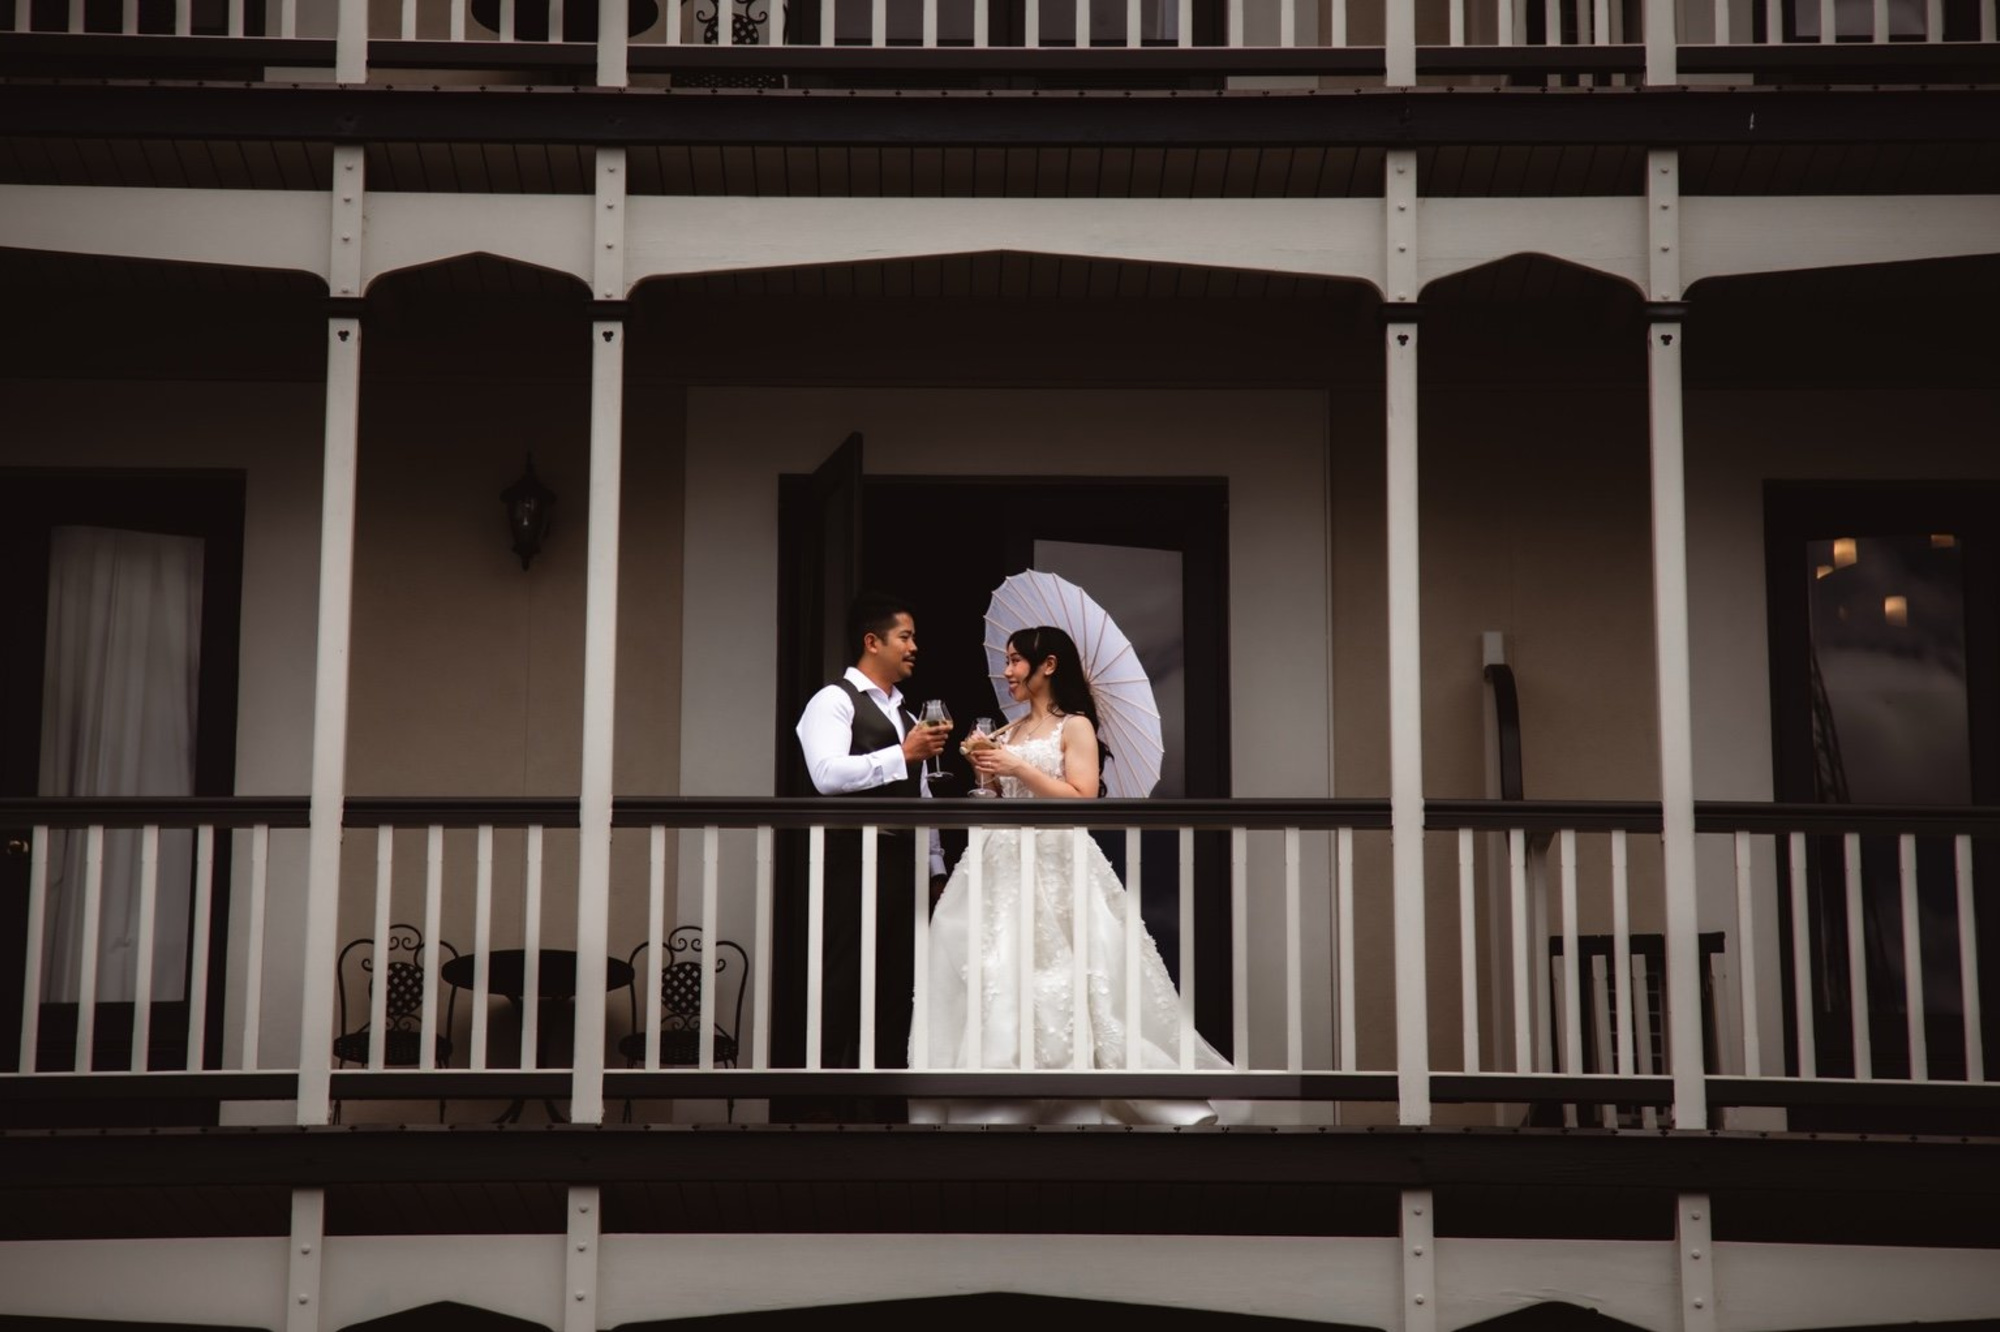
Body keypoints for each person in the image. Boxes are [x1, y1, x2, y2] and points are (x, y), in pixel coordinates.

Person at [910, 624, 1228, 1126]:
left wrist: (1019, 769)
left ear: (1049, 665)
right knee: (994, 965)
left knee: (1067, 967)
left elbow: (1082, 795)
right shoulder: (1008, 730)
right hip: (1000, 863)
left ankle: (1071, 1089)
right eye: (1008, 660)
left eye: (1017, 661)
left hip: (1055, 859)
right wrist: (988, 777)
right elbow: (996, 800)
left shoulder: (1074, 726)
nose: (1008, 670)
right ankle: (991, 1083)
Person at [792, 593, 949, 1114]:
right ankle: (825, 1110)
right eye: (905, 637)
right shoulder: (832, 700)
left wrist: (934, 867)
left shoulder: (906, 711)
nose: (914, 648)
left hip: (903, 865)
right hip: (853, 861)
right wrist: (899, 755)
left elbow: (922, 793)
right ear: (872, 641)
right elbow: (827, 775)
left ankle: (883, 1109)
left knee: (897, 983)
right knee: (845, 977)